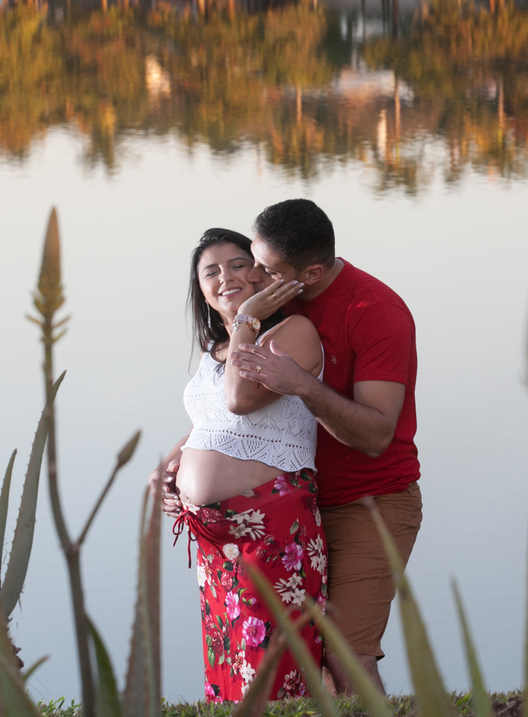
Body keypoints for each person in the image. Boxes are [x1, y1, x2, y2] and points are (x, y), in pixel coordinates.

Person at [228, 199, 421, 697]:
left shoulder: (376, 312)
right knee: (302, 657)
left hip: (371, 504)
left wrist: (302, 386)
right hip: (295, 510)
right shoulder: (278, 300)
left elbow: (377, 435)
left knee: (347, 657)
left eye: (266, 270)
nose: (254, 277)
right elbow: (235, 403)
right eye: (254, 261)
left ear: (310, 273)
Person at [152, 227, 327, 703]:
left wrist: (248, 317)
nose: (225, 277)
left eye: (237, 264)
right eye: (211, 271)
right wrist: (168, 469)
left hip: (272, 529)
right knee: (230, 666)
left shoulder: (293, 333)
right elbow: (209, 426)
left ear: (263, 274)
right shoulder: (215, 354)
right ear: (201, 291)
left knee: (273, 673)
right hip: (214, 539)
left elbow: (241, 400)